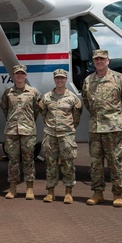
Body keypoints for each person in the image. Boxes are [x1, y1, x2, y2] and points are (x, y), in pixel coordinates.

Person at [81, 49, 122, 207]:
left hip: (113, 128)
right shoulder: (88, 80)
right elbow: (86, 100)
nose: (99, 62)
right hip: (95, 128)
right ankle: (98, 193)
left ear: (108, 60)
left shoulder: (119, 78)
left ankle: (117, 194)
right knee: (96, 163)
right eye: (96, 59)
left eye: (102, 59)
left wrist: (118, 117)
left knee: (114, 162)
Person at [39, 68, 83, 203]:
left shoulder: (73, 98)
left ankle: (68, 192)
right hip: (50, 134)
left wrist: (67, 128)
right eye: (57, 78)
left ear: (66, 79)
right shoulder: (46, 97)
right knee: (50, 163)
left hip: (66, 135)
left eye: (62, 78)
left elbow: (76, 117)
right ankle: (50, 192)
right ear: (54, 80)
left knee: (67, 163)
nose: (59, 80)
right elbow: (43, 114)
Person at [1, 64, 42, 199]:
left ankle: (29, 189)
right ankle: (12, 189)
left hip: (28, 131)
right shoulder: (8, 93)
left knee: (28, 159)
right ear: (14, 76)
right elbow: (5, 109)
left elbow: (36, 110)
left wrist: (27, 122)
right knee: (13, 160)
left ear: (25, 75)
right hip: (12, 131)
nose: (20, 76)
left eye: (22, 74)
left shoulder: (33, 93)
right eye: (17, 74)